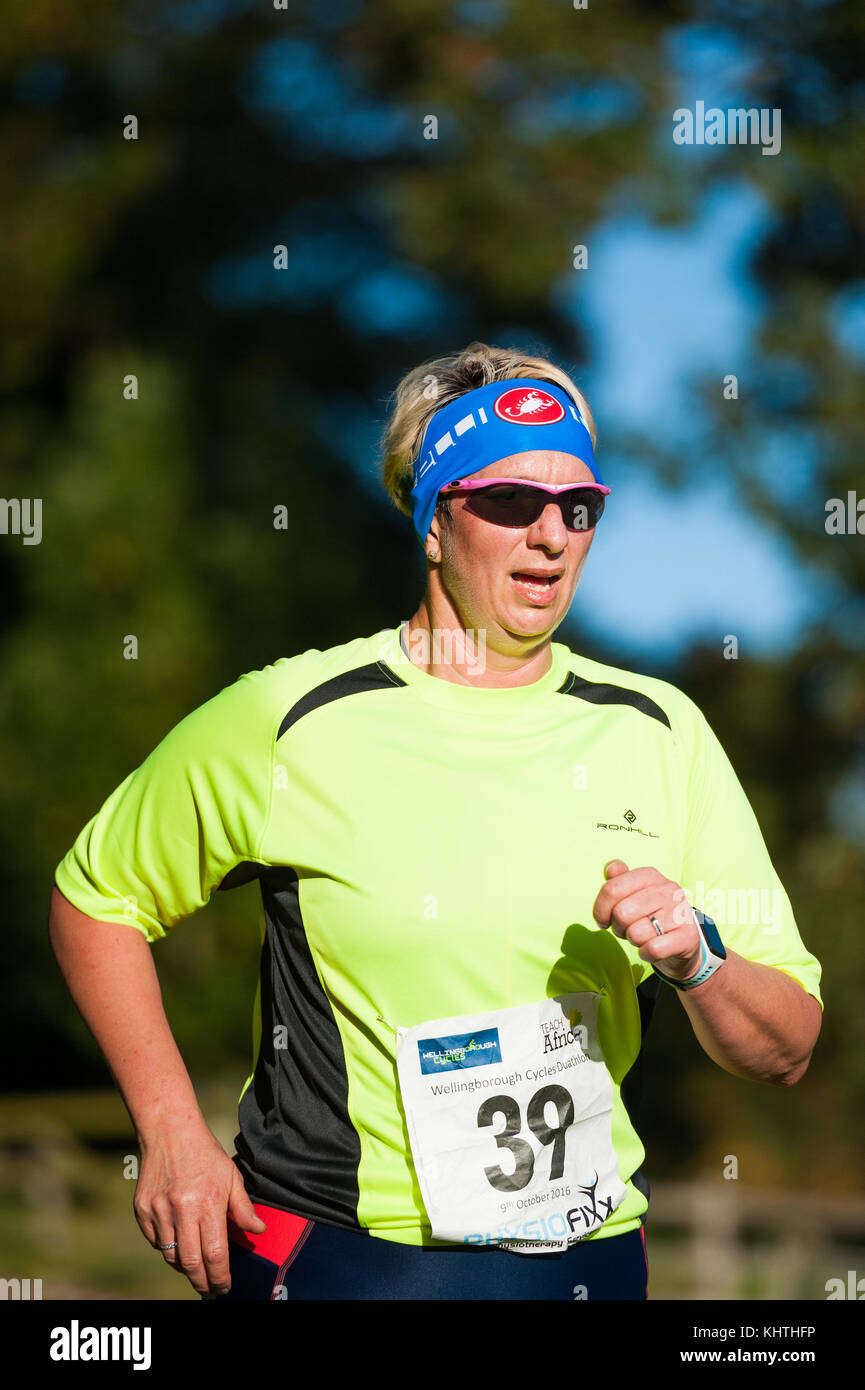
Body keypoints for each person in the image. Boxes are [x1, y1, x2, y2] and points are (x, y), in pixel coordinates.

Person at [49, 341, 823, 1301]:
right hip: (344, 1259)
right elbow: (97, 899)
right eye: (509, 503)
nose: (550, 535)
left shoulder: (659, 730)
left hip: (588, 1266)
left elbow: (786, 1045)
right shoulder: (292, 718)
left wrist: (697, 962)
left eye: (577, 508)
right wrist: (169, 1130)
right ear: (431, 521)